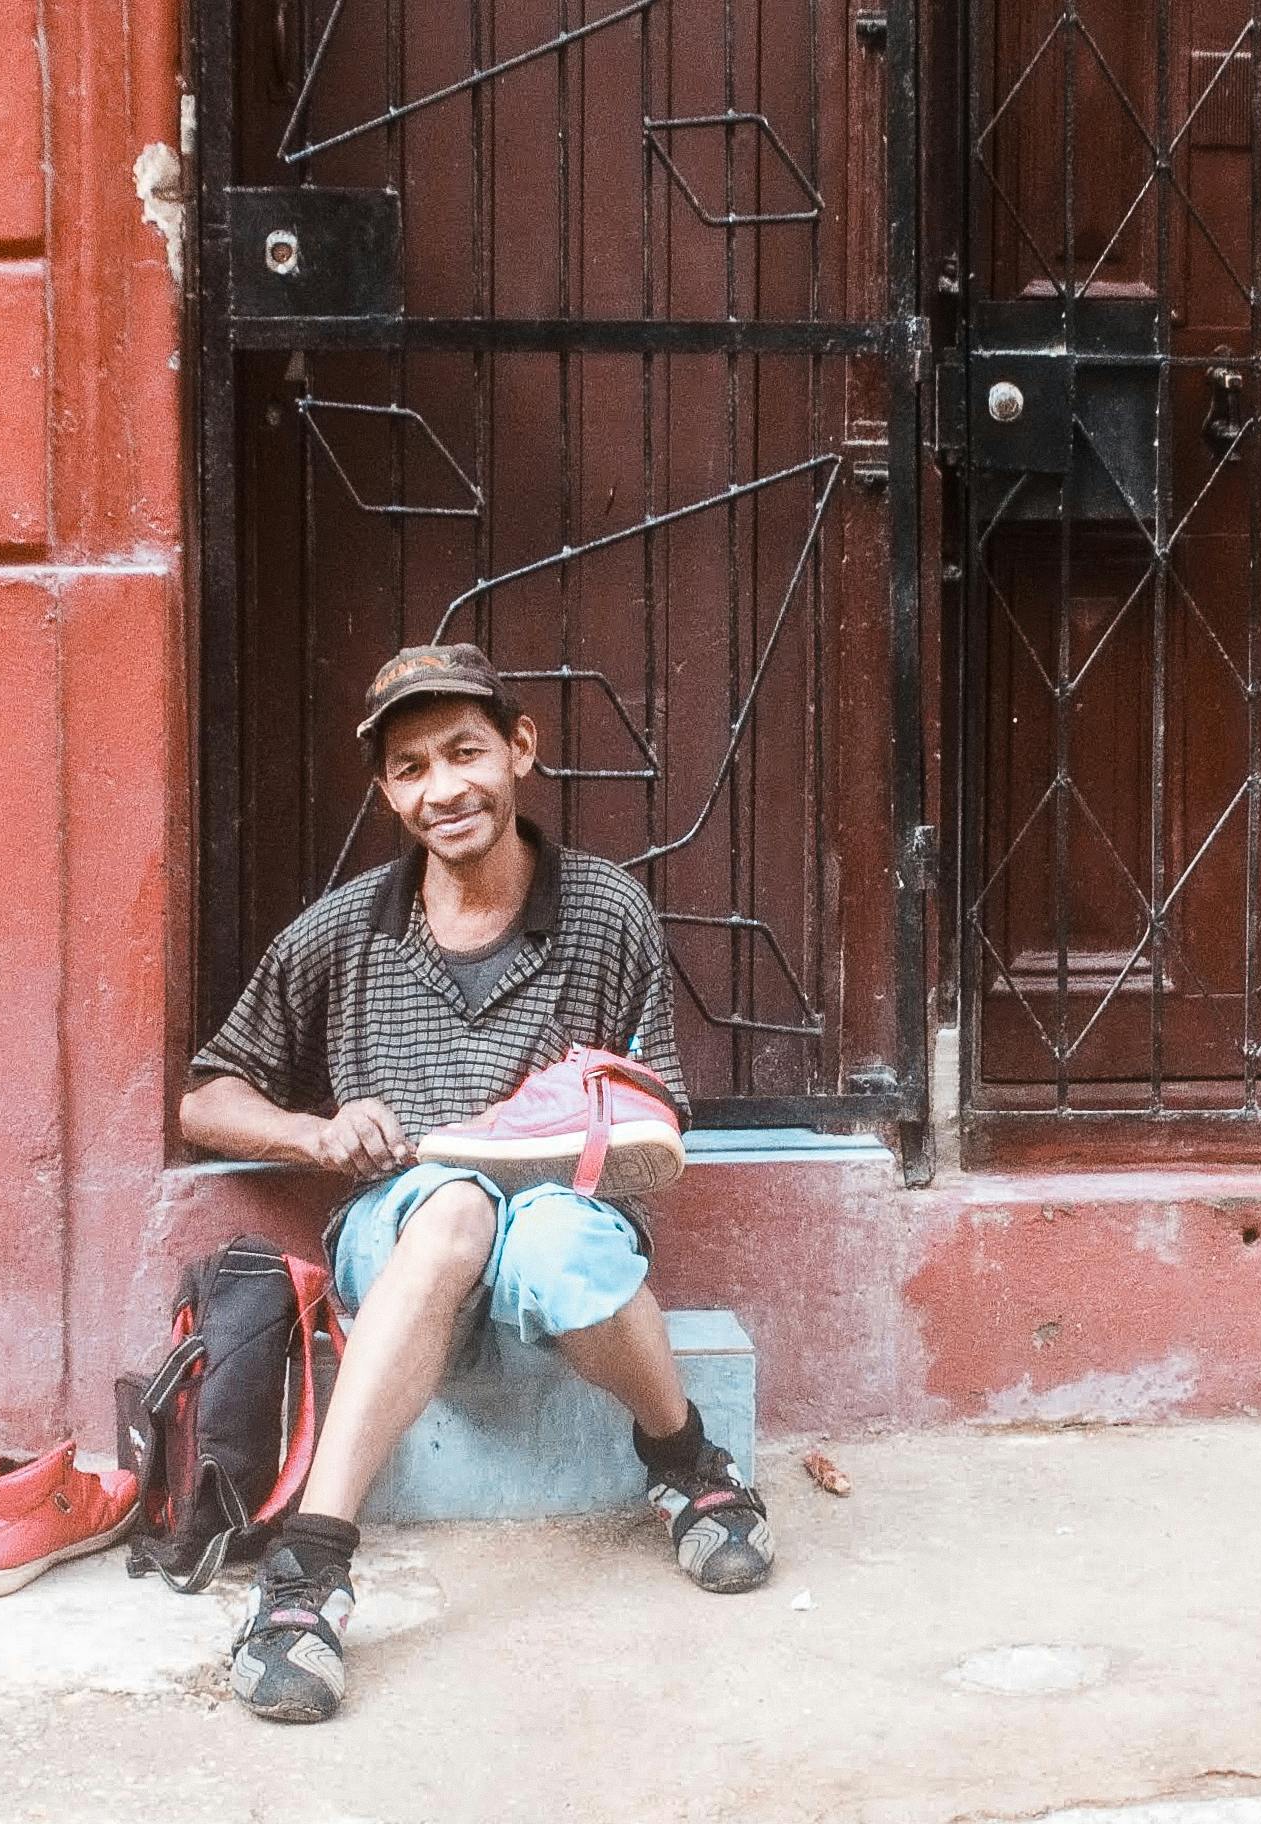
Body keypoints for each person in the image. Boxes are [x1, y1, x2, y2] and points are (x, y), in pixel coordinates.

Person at [179, 641, 774, 1724]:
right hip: (404, 1229)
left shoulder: (606, 909)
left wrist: (577, 1132)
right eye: (409, 768)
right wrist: (316, 1134)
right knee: (453, 1202)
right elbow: (207, 1095)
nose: (441, 788)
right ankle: (309, 1570)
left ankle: (684, 1461)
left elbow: (657, 1114)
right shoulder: (342, 928)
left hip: (566, 1225)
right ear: (387, 790)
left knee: (548, 1235)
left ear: (519, 751)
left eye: (464, 752)